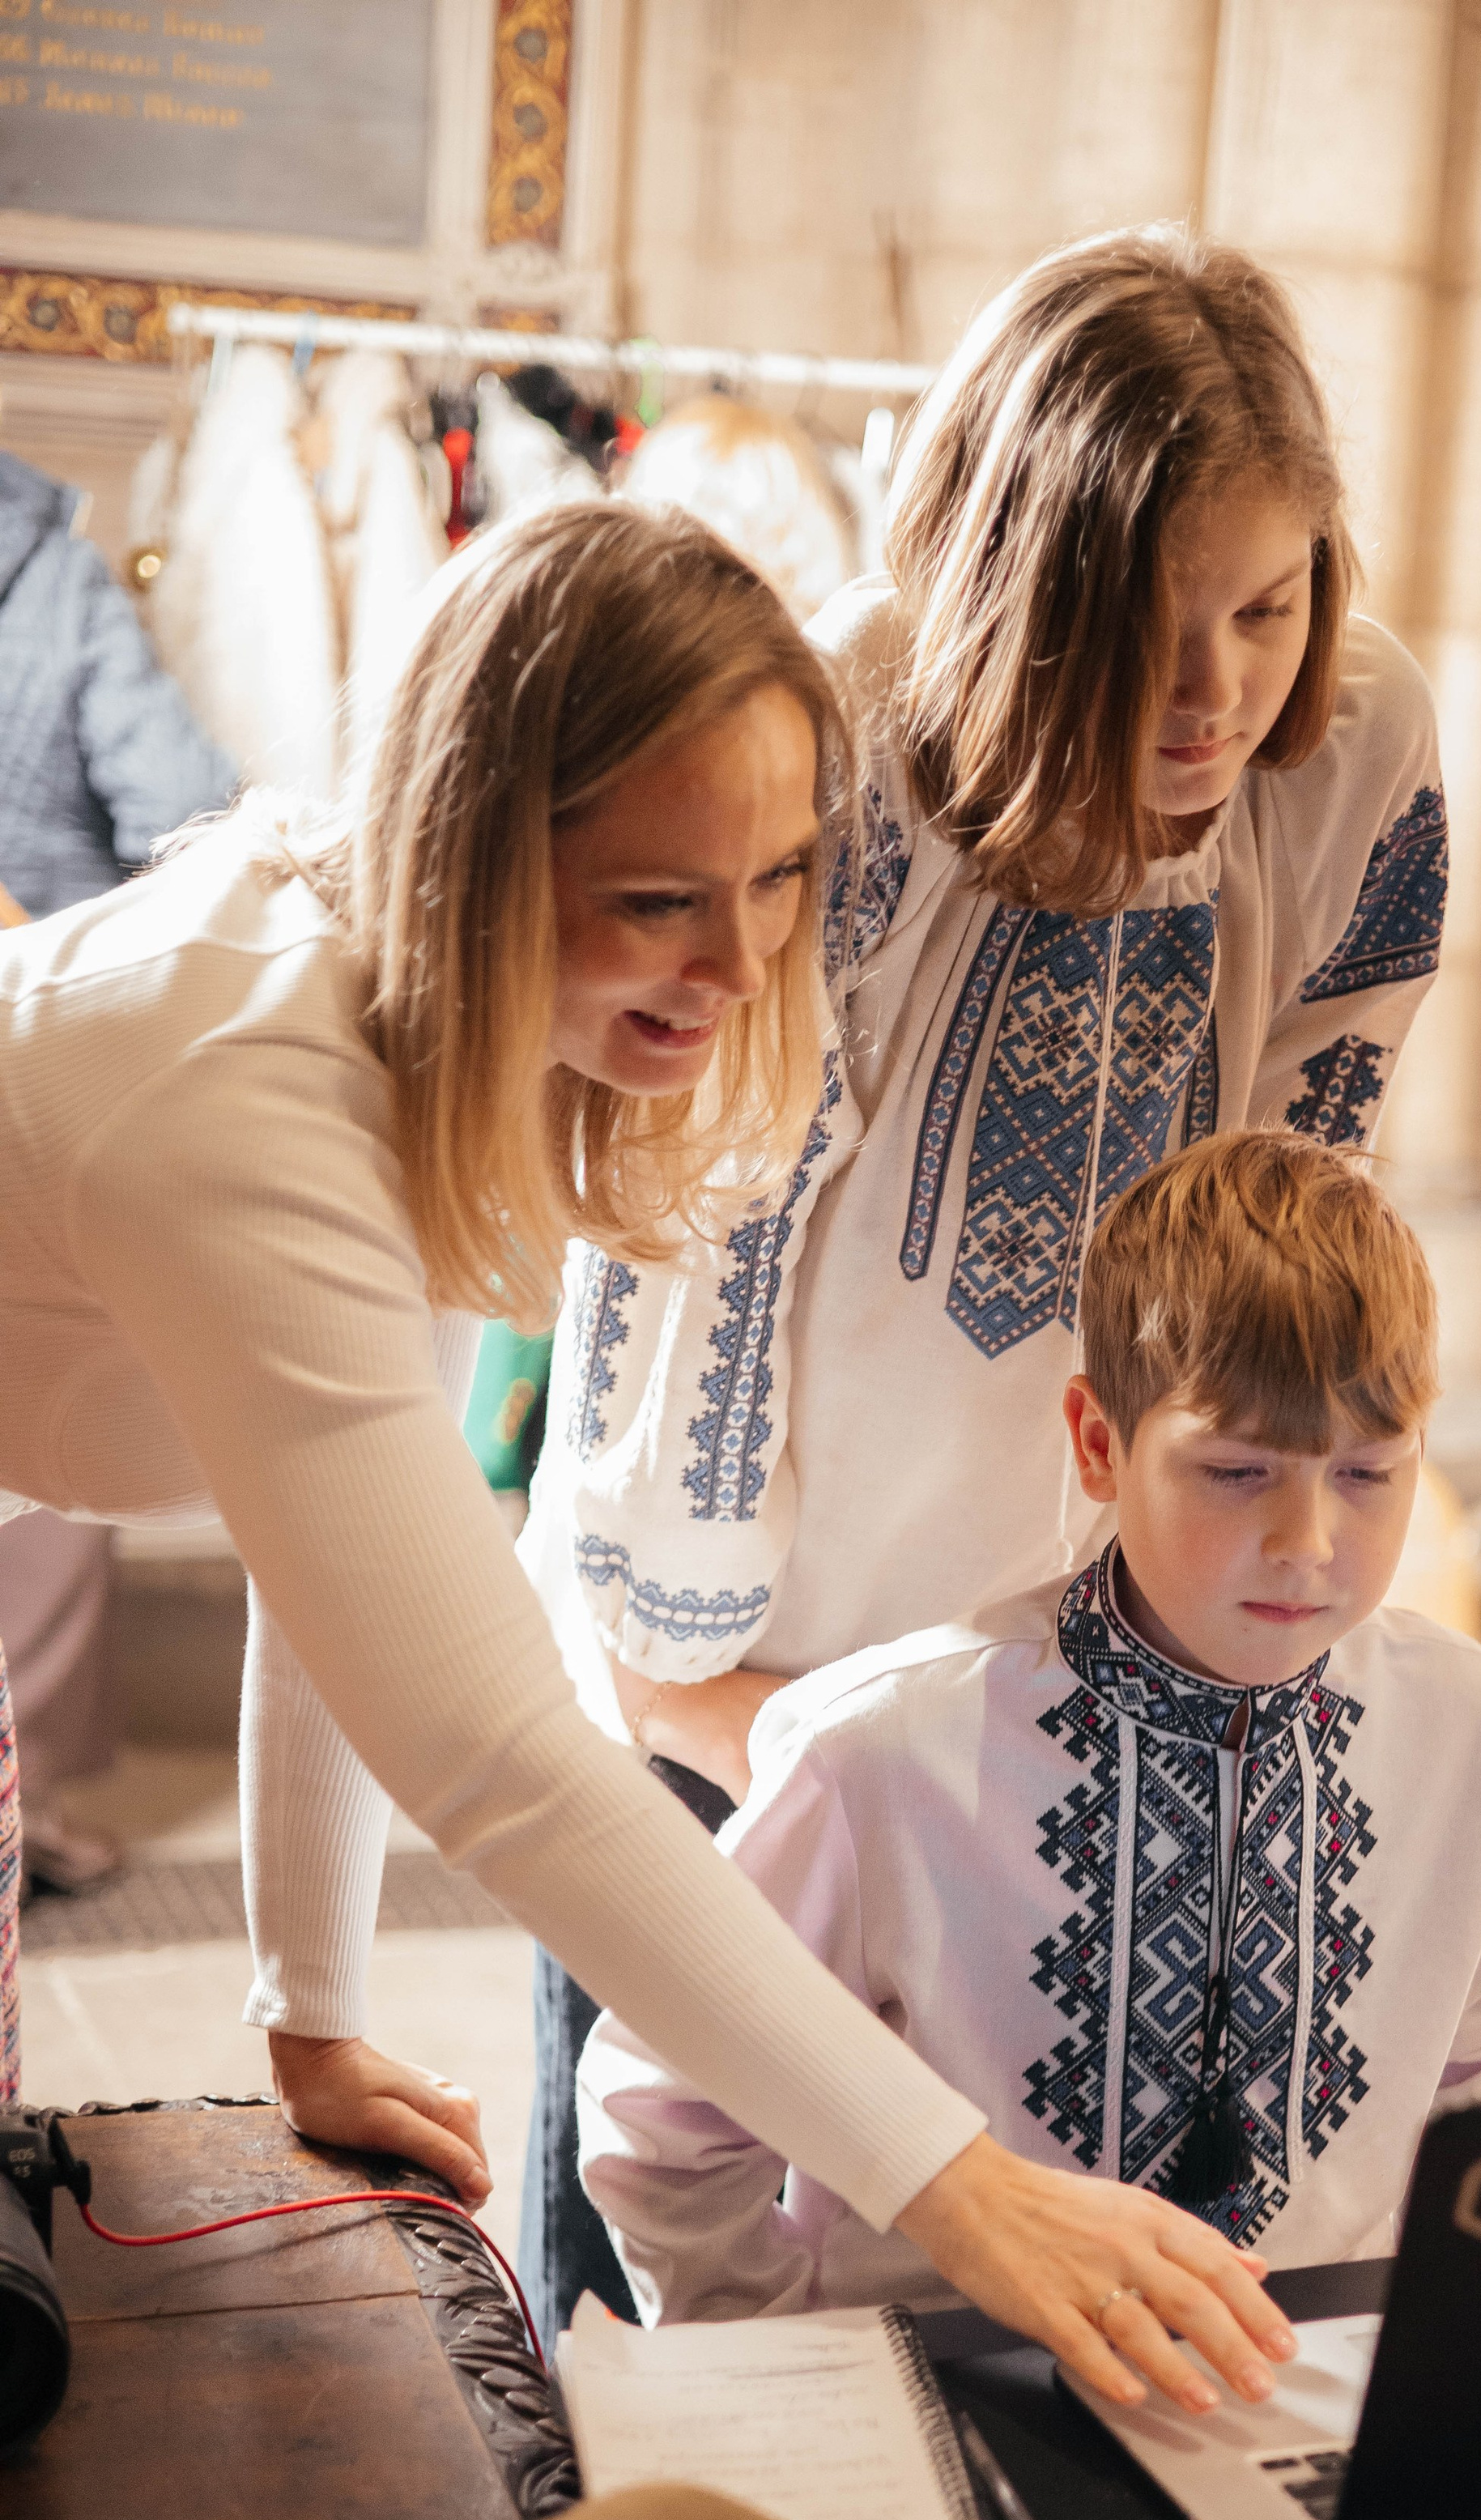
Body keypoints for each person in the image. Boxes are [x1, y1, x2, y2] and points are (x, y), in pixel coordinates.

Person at [0, 496, 1292, 2419]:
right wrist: (967, 2188)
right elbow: (508, 1758)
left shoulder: (425, 1012)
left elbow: (341, 1570)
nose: (736, 960)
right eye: (657, 898)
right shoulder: (245, 1098)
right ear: (480, 854)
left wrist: (316, 2022)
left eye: (776, 881)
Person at [520, 226, 1449, 2334]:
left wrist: (1186, 1651)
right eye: (1148, 626)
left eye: (1269, 601)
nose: (1217, 692)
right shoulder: (835, 730)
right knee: (656, 2271)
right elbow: (693, 1250)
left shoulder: (1351, 735)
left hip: (1089, 1690)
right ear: (1016, 594)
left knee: (1029, 2313)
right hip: (751, 1674)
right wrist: (717, 1703)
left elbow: (1299, 1201)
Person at [577, 1133, 1481, 2335]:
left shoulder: (1460, 1723)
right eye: (1238, 1472)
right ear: (1099, 1444)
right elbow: (666, 2112)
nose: (1308, 1543)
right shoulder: (879, 1755)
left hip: (1317, 2392)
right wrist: (806, 2362)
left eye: (1368, 1473)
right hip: (957, 2401)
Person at [0, 441, 237, 1895]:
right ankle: (30, 1796)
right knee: (37, 1424)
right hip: (41, 1058)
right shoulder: (53, 579)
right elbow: (189, 816)